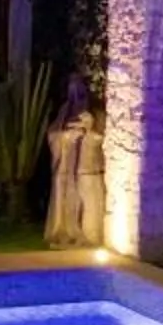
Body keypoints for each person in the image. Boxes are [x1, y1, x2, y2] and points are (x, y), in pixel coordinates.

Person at [43, 75, 105, 248]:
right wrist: (65, 137)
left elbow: (101, 137)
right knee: (66, 200)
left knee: (87, 203)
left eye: (78, 87)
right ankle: (66, 233)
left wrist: (88, 130)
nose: (75, 91)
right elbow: (53, 134)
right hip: (66, 166)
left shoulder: (96, 112)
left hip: (86, 167)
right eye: (72, 86)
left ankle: (86, 236)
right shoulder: (65, 110)